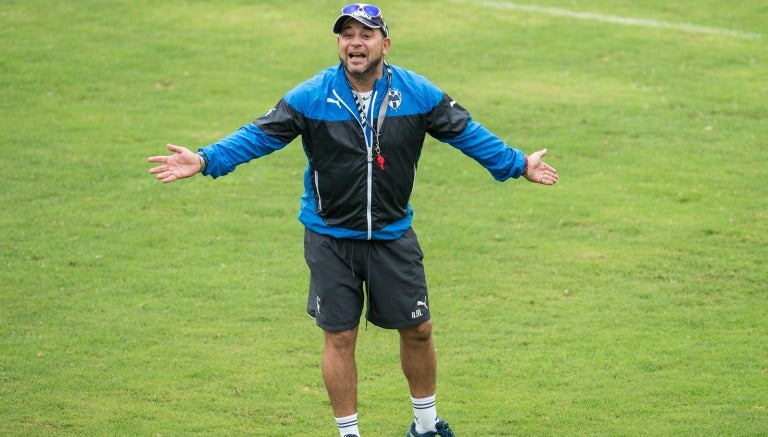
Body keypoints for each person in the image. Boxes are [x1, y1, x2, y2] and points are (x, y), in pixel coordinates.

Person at [148, 4, 558, 436]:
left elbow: (466, 132)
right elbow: (258, 135)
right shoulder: (311, 96)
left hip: (392, 234)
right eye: (347, 35)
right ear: (339, 44)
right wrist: (207, 158)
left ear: (385, 43)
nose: (355, 43)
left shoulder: (417, 93)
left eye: (365, 34)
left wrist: (516, 164)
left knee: (418, 329)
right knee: (340, 337)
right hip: (329, 238)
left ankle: (425, 427)